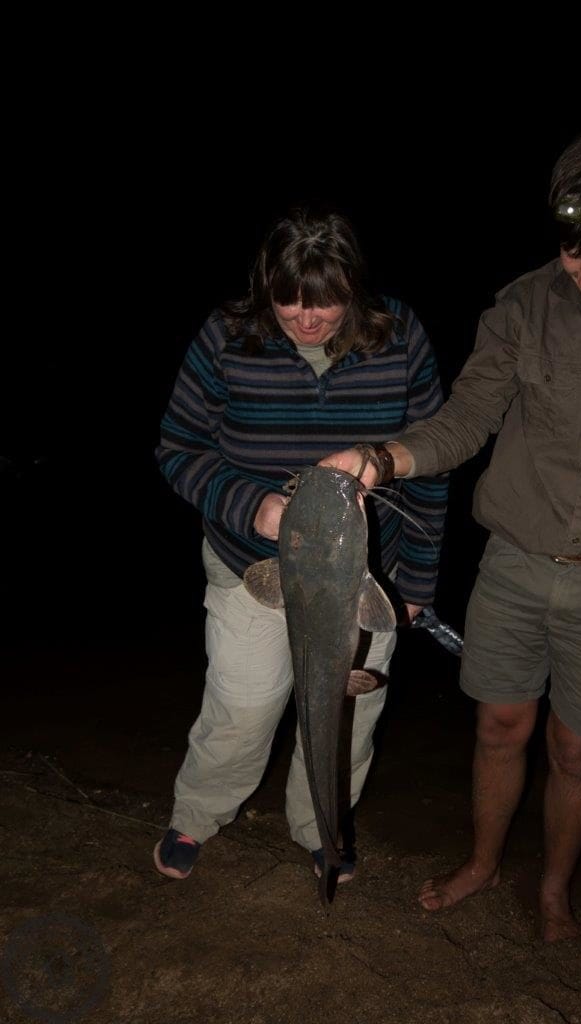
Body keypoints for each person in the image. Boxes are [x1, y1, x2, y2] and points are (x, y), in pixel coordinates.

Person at [321, 123, 581, 940]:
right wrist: (381, 457)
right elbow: (468, 418)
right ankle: (482, 862)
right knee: (498, 726)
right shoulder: (523, 305)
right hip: (514, 567)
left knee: (577, 750)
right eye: (574, 250)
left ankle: (554, 889)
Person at [153, 205, 448, 884]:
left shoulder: (399, 335)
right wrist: (253, 505)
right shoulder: (227, 335)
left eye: (327, 303)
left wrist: (418, 586)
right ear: (265, 287)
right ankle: (198, 813)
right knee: (245, 705)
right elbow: (177, 447)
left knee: (348, 709)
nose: (308, 320)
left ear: (356, 289)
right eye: (289, 303)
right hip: (249, 561)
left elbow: (431, 463)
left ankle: (323, 827)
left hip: (363, 575)